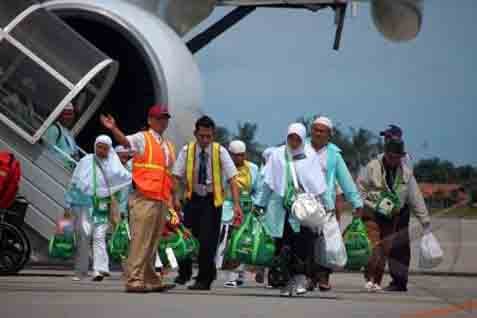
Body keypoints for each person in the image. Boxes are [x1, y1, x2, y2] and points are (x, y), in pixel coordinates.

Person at [100, 104, 176, 293]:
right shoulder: (143, 138)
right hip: (144, 197)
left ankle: (151, 279)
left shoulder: (167, 145)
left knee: (152, 242)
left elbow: (169, 174)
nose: (162, 121)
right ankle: (133, 279)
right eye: (159, 118)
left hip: (161, 199)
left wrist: (173, 201)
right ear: (150, 120)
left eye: (165, 118)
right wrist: (113, 129)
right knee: (140, 240)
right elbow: (125, 142)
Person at [255, 123, 327, 297]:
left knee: (302, 245)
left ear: (302, 139)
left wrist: (326, 205)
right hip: (280, 210)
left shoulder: (310, 156)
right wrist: (259, 204)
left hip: (303, 210)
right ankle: (286, 282)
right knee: (282, 246)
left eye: (297, 139)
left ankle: (300, 280)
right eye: (291, 138)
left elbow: (318, 185)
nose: (294, 142)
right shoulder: (277, 155)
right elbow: (268, 182)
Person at [172, 115, 243, 291]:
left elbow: (233, 179)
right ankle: (185, 272)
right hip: (192, 199)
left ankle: (204, 279)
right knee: (185, 238)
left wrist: (236, 205)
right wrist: (174, 198)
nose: (205, 140)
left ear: (213, 135)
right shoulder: (187, 150)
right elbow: (175, 176)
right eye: (201, 136)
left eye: (208, 136)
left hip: (213, 202)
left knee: (207, 242)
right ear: (195, 133)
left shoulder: (220, 151)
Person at [356, 137, 431, 292]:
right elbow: (360, 188)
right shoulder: (372, 167)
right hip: (372, 214)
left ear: (401, 157)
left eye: (397, 157)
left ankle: (376, 282)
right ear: (385, 154)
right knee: (374, 248)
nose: (394, 160)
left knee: (384, 250)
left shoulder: (406, 173)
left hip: (392, 218)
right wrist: (368, 203)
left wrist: (424, 220)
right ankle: (369, 278)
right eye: (391, 157)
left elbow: (415, 196)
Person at [305, 116, 364, 292]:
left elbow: (345, 180)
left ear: (329, 134)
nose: (317, 133)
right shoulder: (301, 148)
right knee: (306, 242)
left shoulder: (334, 155)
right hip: (303, 204)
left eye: (322, 131)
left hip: (325, 204)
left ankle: (323, 277)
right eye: (315, 129)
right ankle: (307, 277)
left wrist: (356, 203)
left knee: (327, 242)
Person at [65, 135, 131, 282]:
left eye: (105, 147)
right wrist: (68, 203)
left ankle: (99, 269)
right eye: (99, 147)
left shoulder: (113, 164)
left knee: (99, 236)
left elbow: (125, 178)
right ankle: (81, 271)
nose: (101, 150)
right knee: (84, 237)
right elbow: (74, 181)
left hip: (102, 205)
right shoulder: (85, 161)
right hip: (83, 204)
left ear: (109, 149)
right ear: (95, 146)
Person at [217, 140, 260, 288]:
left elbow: (258, 189)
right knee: (229, 242)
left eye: (241, 155)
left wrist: (254, 204)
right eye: (235, 155)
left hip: (248, 209)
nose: (238, 158)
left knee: (245, 241)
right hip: (228, 208)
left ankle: (240, 275)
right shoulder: (223, 168)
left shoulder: (253, 168)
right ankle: (231, 276)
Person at [378, 125, 413, 292]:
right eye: (385, 137)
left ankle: (400, 281)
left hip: (400, 208)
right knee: (388, 245)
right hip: (386, 207)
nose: (386, 139)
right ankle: (394, 279)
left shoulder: (404, 160)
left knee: (399, 246)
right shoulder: (382, 157)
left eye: (389, 136)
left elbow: (407, 187)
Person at [43, 103, 80, 169]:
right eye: (66, 114)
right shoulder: (54, 129)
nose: (69, 117)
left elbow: (75, 153)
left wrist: (75, 158)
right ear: (59, 115)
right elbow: (46, 152)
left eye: (71, 114)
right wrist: (68, 158)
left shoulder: (69, 134)